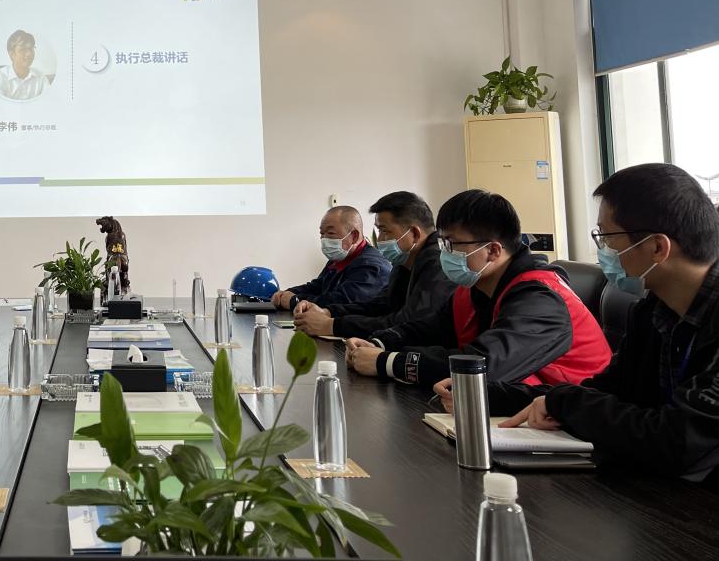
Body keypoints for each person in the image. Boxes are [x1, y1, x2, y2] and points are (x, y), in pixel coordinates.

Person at [457, 164, 718, 486]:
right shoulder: (655, 310)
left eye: (606, 237)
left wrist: (565, 402)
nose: (602, 251)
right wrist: (492, 395)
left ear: (657, 248)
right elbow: (607, 391)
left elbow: (679, 442)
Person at [345, 189, 611, 389]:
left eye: (451, 244)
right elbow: (431, 328)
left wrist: (386, 362)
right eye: (442, 244)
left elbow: (483, 365)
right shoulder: (476, 287)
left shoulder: (541, 298)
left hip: (572, 420)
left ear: (492, 250)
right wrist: (379, 342)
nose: (443, 254)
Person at [293, 191, 455, 339]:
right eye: (378, 231)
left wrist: (333, 326)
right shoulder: (404, 260)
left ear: (414, 234)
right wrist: (328, 312)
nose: (379, 239)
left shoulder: (437, 262)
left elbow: (407, 323)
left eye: (385, 231)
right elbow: (380, 305)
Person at [270, 205, 392, 312]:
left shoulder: (371, 266)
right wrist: (287, 293)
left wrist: (295, 301)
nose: (324, 239)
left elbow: (341, 302)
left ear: (354, 236)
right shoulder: (340, 258)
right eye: (322, 234)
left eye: (330, 233)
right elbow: (317, 286)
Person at [0, 29, 47, 101]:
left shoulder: (40, 77)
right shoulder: (1, 77)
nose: (29, 54)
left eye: (31, 48)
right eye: (23, 49)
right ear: (12, 54)